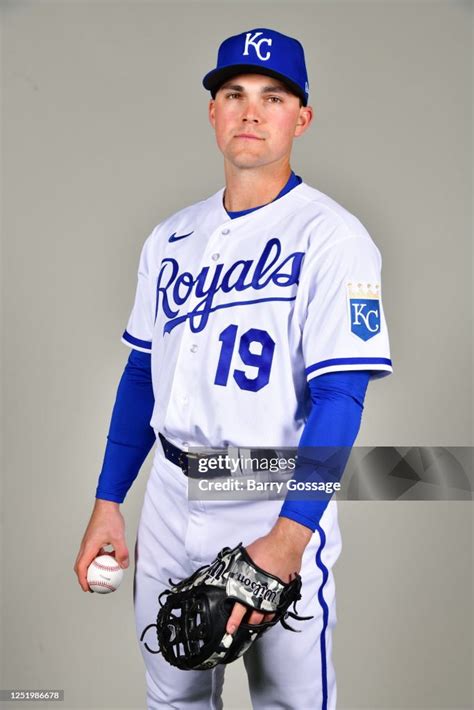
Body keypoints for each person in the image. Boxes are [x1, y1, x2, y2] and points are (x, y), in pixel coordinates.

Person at [74, 28, 392, 709]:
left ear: (301, 117)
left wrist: (289, 536)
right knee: (174, 697)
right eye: (234, 94)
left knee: (290, 704)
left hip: (268, 493)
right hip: (167, 491)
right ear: (213, 112)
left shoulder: (333, 238)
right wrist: (108, 501)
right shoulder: (169, 238)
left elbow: (341, 395)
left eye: (273, 97)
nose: (251, 112)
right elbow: (141, 377)